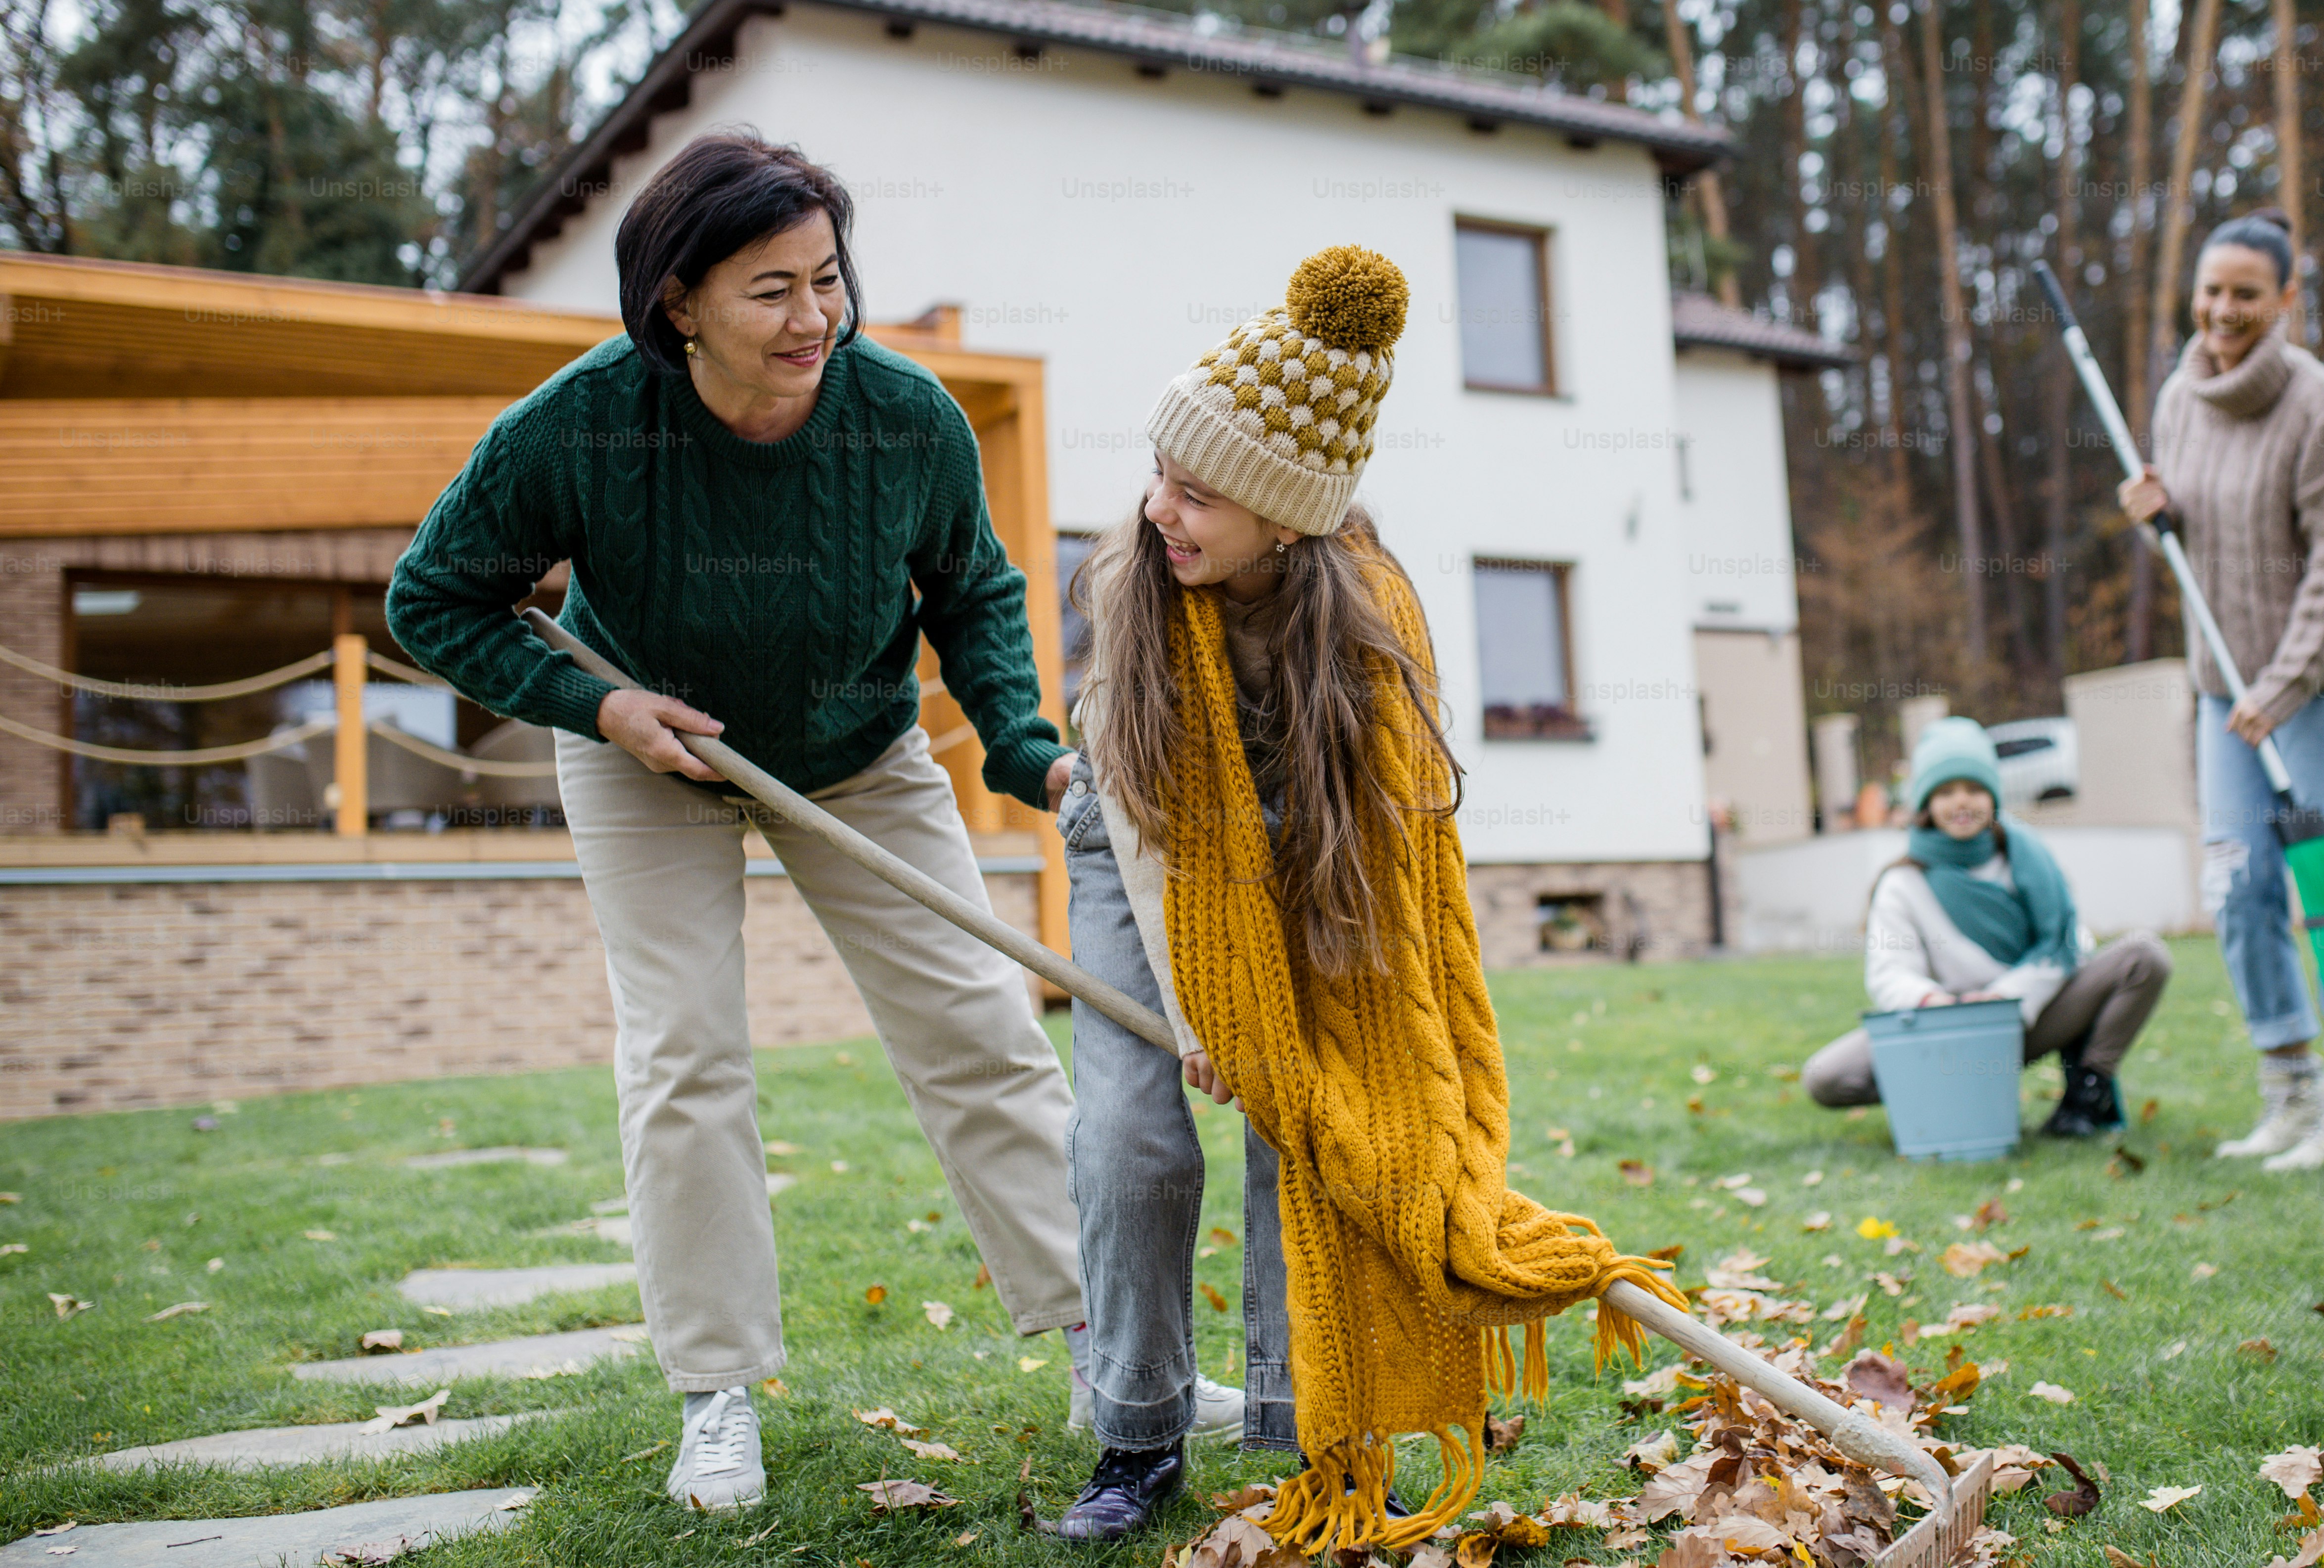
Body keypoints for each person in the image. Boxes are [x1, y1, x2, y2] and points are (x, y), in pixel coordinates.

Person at [387, 130, 1237, 1512]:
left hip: (857, 744)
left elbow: (968, 585)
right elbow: (434, 597)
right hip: (647, 747)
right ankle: (716, 1391)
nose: (814, 318)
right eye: (769, 289)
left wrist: (1025, 749)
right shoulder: (580, 425)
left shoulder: (904, 418)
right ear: (679, 302)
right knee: (686, 1055)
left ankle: (1110, 1355)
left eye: (827, 279)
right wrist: (600, 709)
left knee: (979, 1028)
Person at [1047, 245, 1672, 1551]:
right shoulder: (1129, 588)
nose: (1162, 508)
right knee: (1132, 1139)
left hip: (1307, 864)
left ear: (1286, 514)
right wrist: (1205, 1022)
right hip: (1140, 849)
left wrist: (1305, 1049)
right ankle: (1136, 1428)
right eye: (1161, 470)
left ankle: (1312, 1426)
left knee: (1326, 1122)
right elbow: (1157, 848)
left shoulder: (1367, 620)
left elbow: (1394, 855)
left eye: (1200, 493)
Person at [2120, 206, 2324, 1171]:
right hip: (2221, 692)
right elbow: (2207, 541)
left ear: (2285, 298)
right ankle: (2286, 1089)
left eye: (2245, 293)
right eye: (2210, 290)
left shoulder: (2319, 408)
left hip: (2321, 688)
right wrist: (2158, 513)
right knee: (2238, 884)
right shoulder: (2178, 400)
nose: (2222, 310)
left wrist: (2281, 688)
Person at [1802, 717, 2172, 1136]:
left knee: (2145, 956)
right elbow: (1889, 972)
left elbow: (2068, 945)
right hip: (1947, 1029)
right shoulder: (1902, 883)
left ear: (1993, 795)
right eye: (1945, 792)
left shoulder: (2027, 859)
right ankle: (1948, 1092)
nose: (1962, 802)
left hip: (2026, 1014)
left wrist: (2003, 996)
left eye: (1974, 789)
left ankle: (2087, 1093)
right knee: (1825, 1076)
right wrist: (1932, 1001)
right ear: (1925, 802)